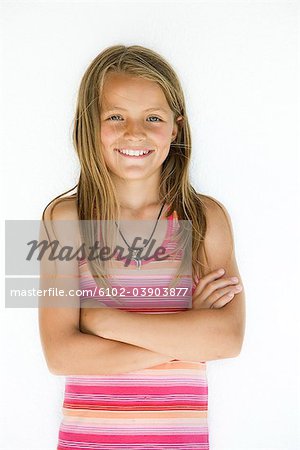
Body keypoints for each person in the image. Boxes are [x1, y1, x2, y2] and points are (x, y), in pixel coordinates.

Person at [38, 44, 245, 450]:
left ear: (176, 127)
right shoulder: (65, 220)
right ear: (90, 126)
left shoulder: (203, 219)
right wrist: (183, 338)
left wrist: (103, 323)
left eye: (153, 117)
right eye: (116, 117)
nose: (135, 132)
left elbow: (227, 340)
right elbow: (61, 355)